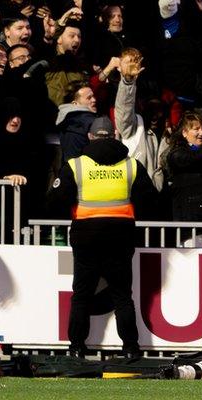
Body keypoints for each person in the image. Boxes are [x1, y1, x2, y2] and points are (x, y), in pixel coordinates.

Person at [47, 117, 158, 358]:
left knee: (81, 295)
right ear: (114, 134)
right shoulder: (132, 165)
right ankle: (130, 348)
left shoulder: (76, 165)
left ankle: (76, 347)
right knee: (122, 295)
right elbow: (151, 201)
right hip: (121, 237)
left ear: (90, 136)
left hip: (85, 237)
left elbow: (55, 201)